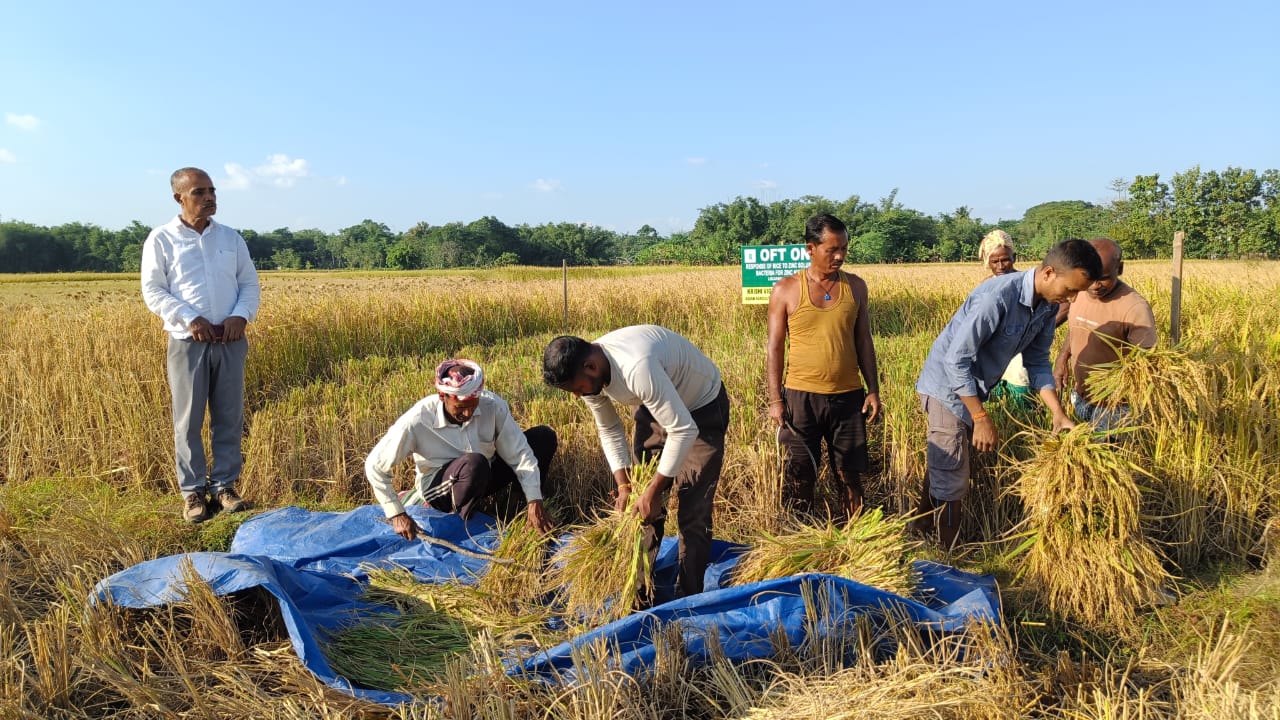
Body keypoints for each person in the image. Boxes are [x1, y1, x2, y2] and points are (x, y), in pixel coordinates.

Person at [913, 238, 1102, 549]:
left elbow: (1038, 361)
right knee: (953, 481)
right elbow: (955, 359)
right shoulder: (998, 297)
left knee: (947, 465)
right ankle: (948, 557)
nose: (1071, 298)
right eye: (1070, 290)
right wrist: (980, 416)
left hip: (972, 388)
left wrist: (1058, 412)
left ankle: (918, 532)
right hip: (946, 388)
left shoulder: (1046, 308)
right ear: (1049, 272)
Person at [542, 325, 730, 599]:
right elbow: (609, 429)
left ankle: (688, 598)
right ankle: (641, 592)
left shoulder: (636, 368)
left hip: (701, 409)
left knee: (693, 509)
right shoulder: (590, 375)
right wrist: (624, 487)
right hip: (655, 406)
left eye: (577, 388)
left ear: (591, 366)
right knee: (639, 509)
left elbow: (683, 429)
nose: (578, 396)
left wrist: (653, 491)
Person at [141, 167, 260, 524]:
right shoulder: (161, 239)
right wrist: (190, 319)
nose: (209, 197)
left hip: (230, 340)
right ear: (179, 197)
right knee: (188, 420)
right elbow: (153, 290)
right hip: (187, 342)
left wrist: (241, 316)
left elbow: (249, 284)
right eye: (199, 192)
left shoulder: (231, 238)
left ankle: (224, 487)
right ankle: (192, 492)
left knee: (229, 416)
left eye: (211, 190)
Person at [766, 213, 880, 517]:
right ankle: (798, 538)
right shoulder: (786, 290)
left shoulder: (856, 287)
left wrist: (873, 390)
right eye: (832, 249)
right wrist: (776, 400)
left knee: (850, 474)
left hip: (848, 396)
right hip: (801, 398)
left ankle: (854, 536)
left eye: (843, 248)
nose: (840, 256)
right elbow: (775, 348)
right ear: (810, 248)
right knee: (800, 474)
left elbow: (864, 341)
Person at [366, 359, 558, 539]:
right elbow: (374, 466)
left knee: (542, 437)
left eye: (472, 407)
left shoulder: (492, 406)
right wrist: (396, 513)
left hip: (481, 474)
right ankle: (462, 525)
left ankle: (517, 508)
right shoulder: (418, 419)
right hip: (441, 487)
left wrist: (534, 500)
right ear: (443, 396)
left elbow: (520, 453)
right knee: (474, 464)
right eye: (460, 407)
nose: (467, 413)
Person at [1053, 237, 1157, 431]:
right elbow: (1077, 328)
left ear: (1120, 268)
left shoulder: (1135, 308)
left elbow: (1145, 364)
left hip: (1113, 409)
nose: (1095, 285)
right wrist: (1062, 358)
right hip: (1080, 397)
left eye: (1104, 277)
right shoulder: (1079, 291)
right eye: (1091, 277)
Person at [979, 230, 1033, 407]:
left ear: (1014, 257)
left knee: (1020, 394)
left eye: (1005, 260)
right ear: (988, 262)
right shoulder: (986, 286)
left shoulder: (1026, 283)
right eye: (995, 261)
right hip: (992, 351)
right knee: (994, 402)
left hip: (1019, 352)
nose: (1001, 266)